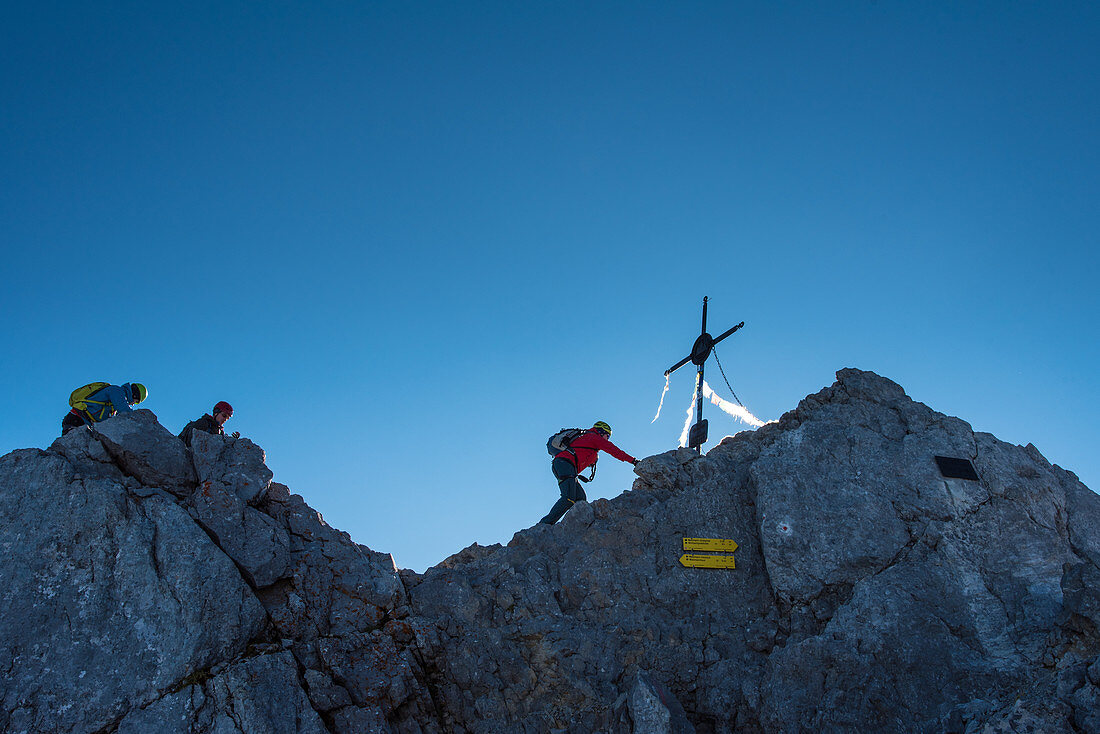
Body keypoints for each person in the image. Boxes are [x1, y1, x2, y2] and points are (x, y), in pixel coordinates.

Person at [540, 421, 637, 525]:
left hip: (565, 466)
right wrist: (633, 461)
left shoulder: (588, 440)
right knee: (568, 498)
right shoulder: (594, 437)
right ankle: (544, 525)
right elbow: (614, 451)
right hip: (564, 464)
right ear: (601, 431)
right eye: (607, 435)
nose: (607, 438)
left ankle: (576, 525)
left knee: (580, 499)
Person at [62, 382, 148, 435]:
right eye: (136, 401)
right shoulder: (116, 391)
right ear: (135, 394)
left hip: (79, 422)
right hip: (77, 420)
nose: (133, 404)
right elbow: (125, 411)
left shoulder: (113, 407)